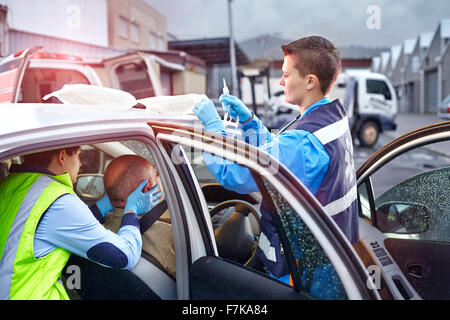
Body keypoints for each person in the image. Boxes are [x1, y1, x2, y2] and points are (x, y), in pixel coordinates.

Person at [193, 35, 358, 299]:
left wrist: (213, 130)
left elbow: (233, 175)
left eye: (286, 74)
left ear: (310, 81)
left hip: (298, 272)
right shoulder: (331, 120)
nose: (281, 81)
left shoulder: (302, 143)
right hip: (331, 261)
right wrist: (249, 121)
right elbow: (279, 153)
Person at [0, 147, 161, 300]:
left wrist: (105, 205)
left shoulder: (13, 184)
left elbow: (68, 225)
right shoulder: (58, 200)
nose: (81, 163)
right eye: (77, 155)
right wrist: (132, 210)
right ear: (62, 156)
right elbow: (126, 256)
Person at [99, 155, 176, 278]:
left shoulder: (99, 229)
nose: (160, 177)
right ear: (147, 188)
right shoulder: (169, 235)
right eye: (156, 174)